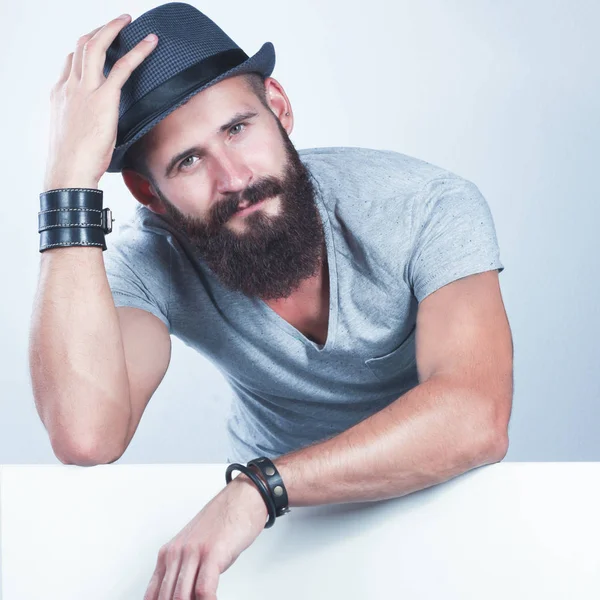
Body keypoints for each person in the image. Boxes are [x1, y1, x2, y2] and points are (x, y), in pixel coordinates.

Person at [29, 4, 513, 598]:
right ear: (146, 192)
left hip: (442, 503)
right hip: (277, 540)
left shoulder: (424, 206)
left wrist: (260, 487)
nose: (233, 177)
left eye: (237, 129)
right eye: (188, 160)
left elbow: (476, 416)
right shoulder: (150, 259)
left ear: (278, 108)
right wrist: (67, 183)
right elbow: (86, 434)